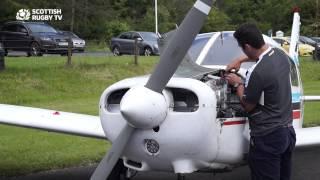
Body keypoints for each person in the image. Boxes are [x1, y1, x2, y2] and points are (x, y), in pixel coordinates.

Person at [225, 23, 296, 180]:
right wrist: (240, 59)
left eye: (242, 49)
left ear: (247, 46)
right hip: (288, 132)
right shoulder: (280, 55)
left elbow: (248, 105)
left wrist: (237, 83)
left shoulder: (257, 73)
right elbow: (263, 50)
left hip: (267, 137)